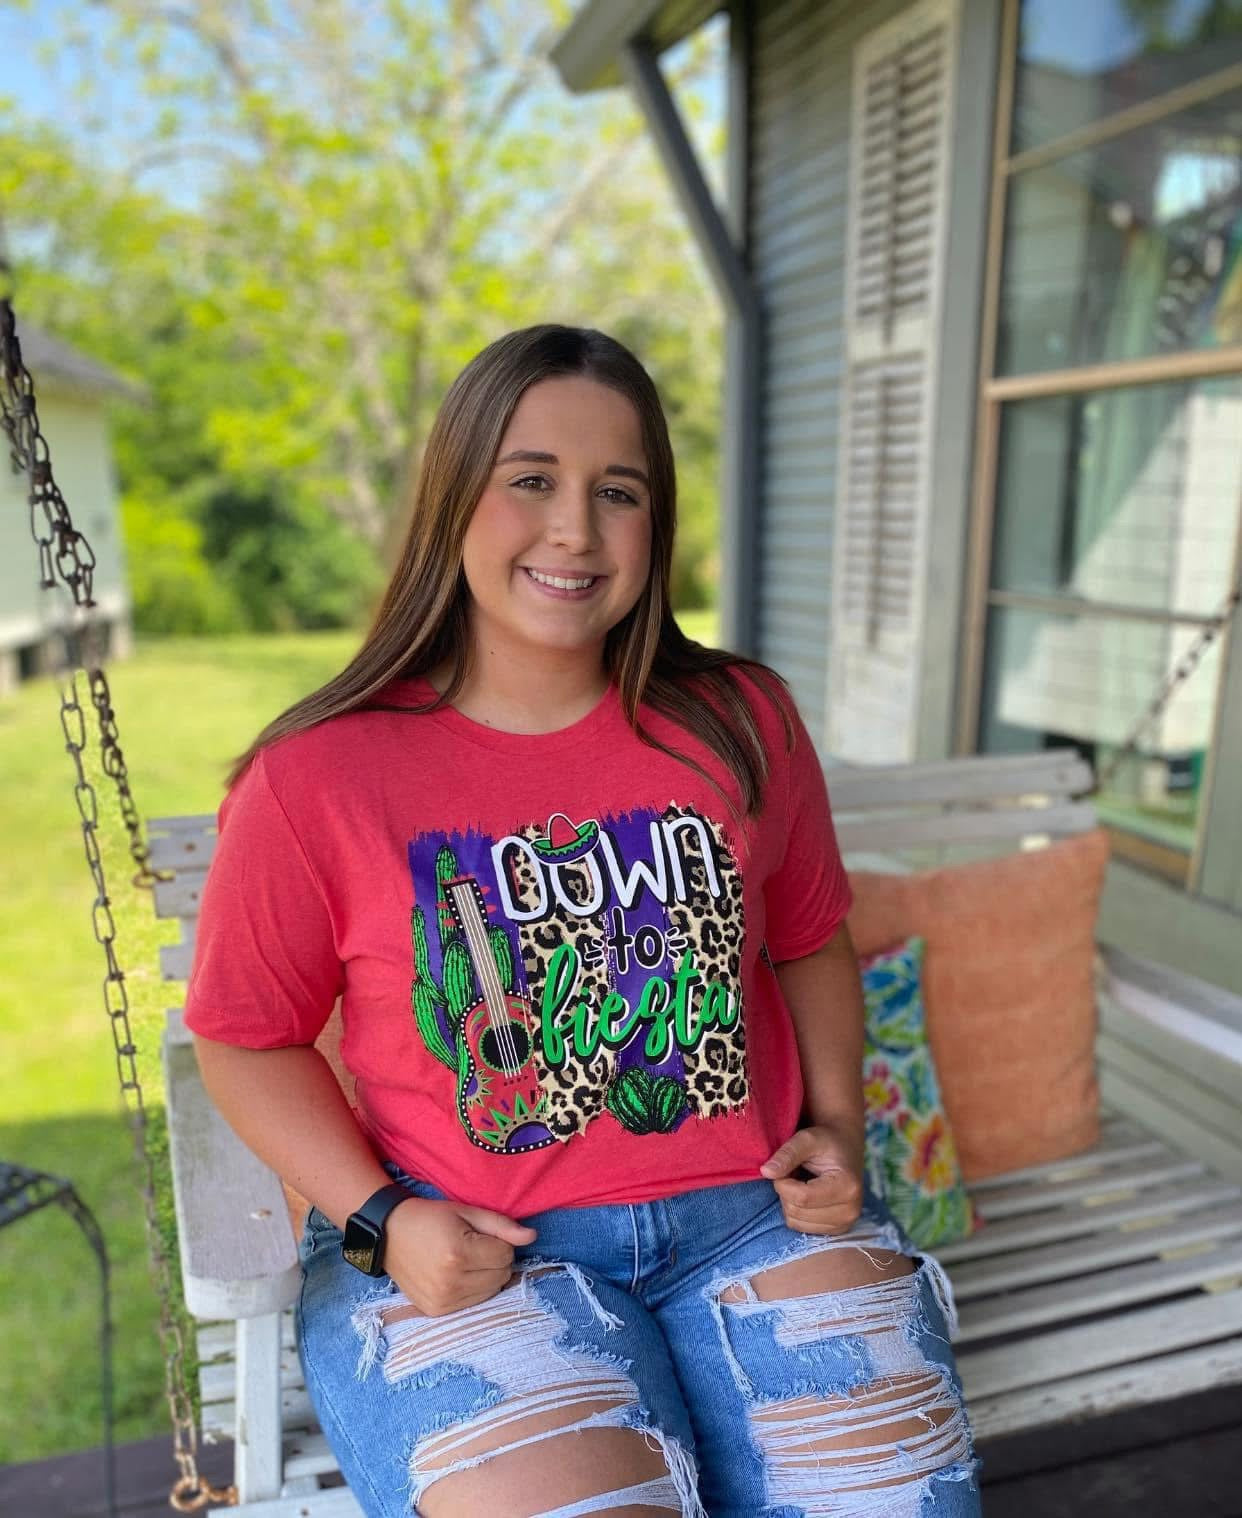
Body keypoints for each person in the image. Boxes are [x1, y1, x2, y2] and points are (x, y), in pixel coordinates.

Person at [184, 324, 981, 1518]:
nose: (576, 529)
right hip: (474, 1257)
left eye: (620, 492)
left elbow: (806, 934)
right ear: (456, 497)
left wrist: (835, 1123)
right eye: (532, 482)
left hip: (753, 1225)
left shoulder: (736, 720)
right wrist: (383, 1222)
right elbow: (246, 1036)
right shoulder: (322, 776)